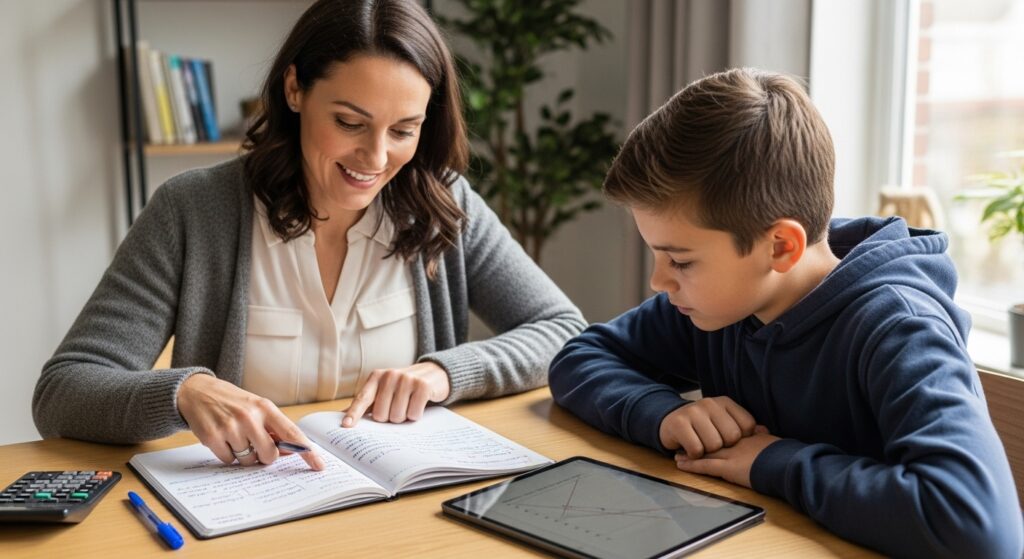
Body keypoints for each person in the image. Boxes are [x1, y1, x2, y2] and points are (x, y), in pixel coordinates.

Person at [34, 0, 584, 472]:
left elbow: (563, 331)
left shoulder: (445, 204)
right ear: (295, 88)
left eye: (403, 130)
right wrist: (183, 391)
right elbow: (64, 391)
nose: (375, 158)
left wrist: (445, 373)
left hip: (401, 515)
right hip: (245, 515)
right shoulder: (194, 210)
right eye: (349, 122)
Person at [548, 68, 1023, 558]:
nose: (659, 281)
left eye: (681, 260)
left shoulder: (900, 328)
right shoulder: (720, 305)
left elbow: (979, 530)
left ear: (780, 246)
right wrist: (664, 414)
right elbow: (580, 357)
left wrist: (776, 462)